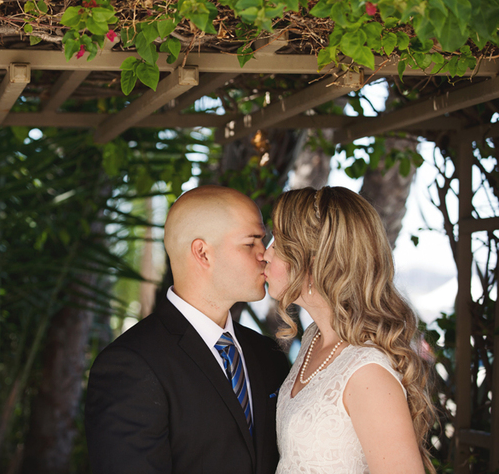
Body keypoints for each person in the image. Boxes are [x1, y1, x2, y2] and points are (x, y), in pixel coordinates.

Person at [85, 185, 290, 474]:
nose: (265, 254)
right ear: (203, 253)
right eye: (251, 243)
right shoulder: (131, 365)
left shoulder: (268, 354)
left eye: (264, 241)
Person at [264, 186, 435, 474]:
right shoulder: (314, 338)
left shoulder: (368, 372)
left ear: (314, 262)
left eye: (278, 244)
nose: (266, 255)